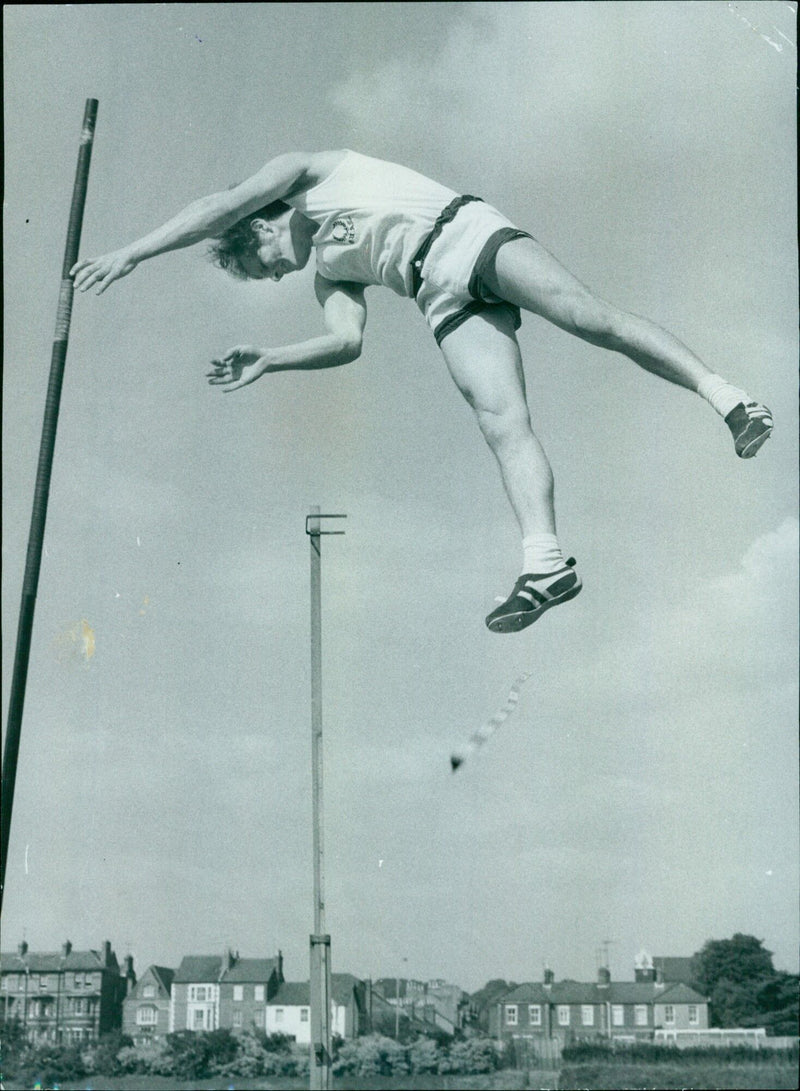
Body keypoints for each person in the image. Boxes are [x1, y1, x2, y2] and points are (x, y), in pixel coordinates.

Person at [71, 149, 773, 633]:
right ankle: (546, 566)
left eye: (262, 267)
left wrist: (131, 252)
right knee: (501, 422)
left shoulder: (306, 172)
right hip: (435, 295)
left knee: (591, 319)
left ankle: (730, 399)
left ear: (256, 226)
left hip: (462, 234)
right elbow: (347, 342)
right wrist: (272, 358)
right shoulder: (330, 273)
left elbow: (215, 203)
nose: (279, 277)